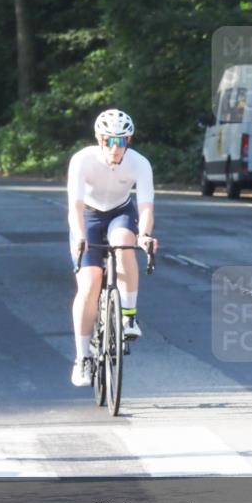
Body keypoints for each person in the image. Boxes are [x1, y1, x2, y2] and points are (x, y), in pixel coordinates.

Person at [67, 109, 158, 387]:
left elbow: (145, 206)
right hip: (89, 216)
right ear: (99, 139)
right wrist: (80, 236)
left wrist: (144, 234)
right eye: (109, 141)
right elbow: (75, 207)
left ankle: (128, 317)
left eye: (121, 141)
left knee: (124, 243)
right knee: (90, 282)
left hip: (120, 211)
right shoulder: (82, 160)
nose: (115, 148)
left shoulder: (139, 163)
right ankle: (82, 358)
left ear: (128, 141)